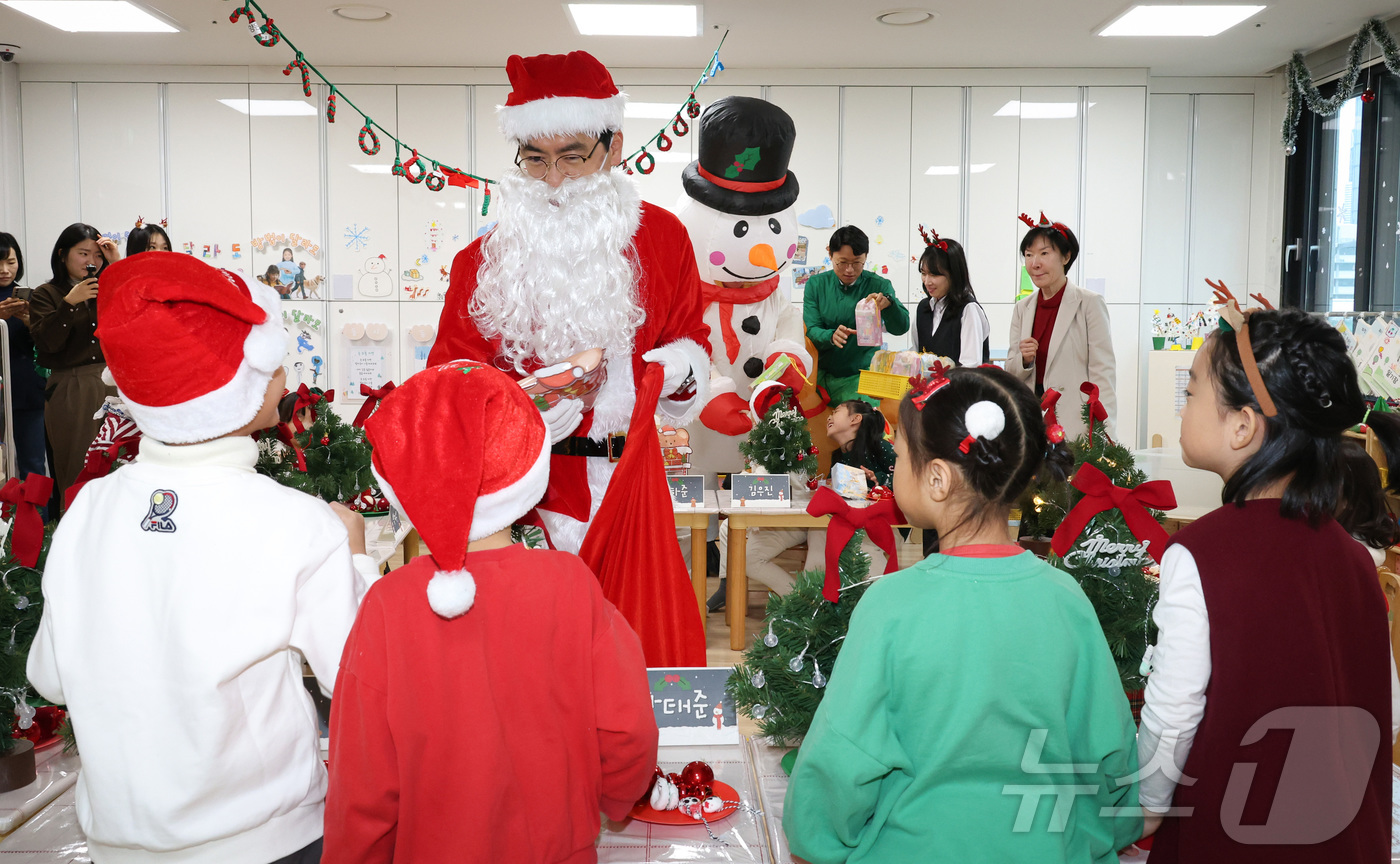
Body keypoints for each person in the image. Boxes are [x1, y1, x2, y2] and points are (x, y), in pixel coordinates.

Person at [27, 252, 378, 864]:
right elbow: (361, 672)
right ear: (242, 386)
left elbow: (50, 676)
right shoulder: (296, 522)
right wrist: (354, 559)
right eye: (271, 364)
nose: (286, 378)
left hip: (118, 839)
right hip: (265, 838)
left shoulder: (89, 510)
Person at [784, 365, 1141, 862]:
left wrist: (815, 840)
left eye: (901, 456)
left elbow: (839, 764)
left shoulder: (891, 604)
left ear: (936, 479)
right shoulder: (1065, 599)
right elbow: (1112, 757)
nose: (893, 469)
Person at [324, 360, 659, 863]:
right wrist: (613, 797)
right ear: (529, 463)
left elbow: (364, 780)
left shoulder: (388, 607)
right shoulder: (571, 585)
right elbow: (627, 728)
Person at [1137, 307, 1396, 861]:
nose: (1183, 409)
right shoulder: (1353, 557)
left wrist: (1143, 809)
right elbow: (1388, 708)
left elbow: (1172, 716)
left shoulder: (1197, 555)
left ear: (1243, 425)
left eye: (1193, 393)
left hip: (1231, 836)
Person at [428, 50, 710, 555]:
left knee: (631, 630)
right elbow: (448, 379)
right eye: (535, 159)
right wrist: (521, 411)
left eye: (573, 156)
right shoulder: (480, 262)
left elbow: (689, 338)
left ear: (613, 146)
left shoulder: (664, 239)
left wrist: (680, 368)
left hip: (633, 487)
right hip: (523, 497)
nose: (553, 178)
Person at [709, 399, 893, 612]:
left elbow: (899, 479)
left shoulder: (879, 448)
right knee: (817, 532)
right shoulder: (839, 457)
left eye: (837, 411)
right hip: (834, 522)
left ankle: (819, 602)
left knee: (822, 534)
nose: (829, 417)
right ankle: (807, 602)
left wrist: (876, 479)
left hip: (869, 527)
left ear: (855, 419)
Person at [28, 223, 120, 498]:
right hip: (72, 386)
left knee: (117, 463)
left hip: (113, 384)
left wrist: (117, 264)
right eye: (83, 254)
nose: (92, 262)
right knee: (77, 465)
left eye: (99, 255)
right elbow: (47, 344)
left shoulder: (109, 287)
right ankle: (74, 532)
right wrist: (69, 303)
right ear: (62, 254)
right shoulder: (46, 293)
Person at [1004, 214, 1116, 440]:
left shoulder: (1089, 304)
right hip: (1031, 424)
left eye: (1044, 254)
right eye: (1028, 255)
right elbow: (1011, 370)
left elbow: (1102, 373)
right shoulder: (1022, 308)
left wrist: (1103, 432)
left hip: (1074, 425)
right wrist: (1024, 361)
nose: (1035, 263)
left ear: (1066, 256)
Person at [801, 225, 909, 405]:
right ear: (830, 256)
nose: (849, 270)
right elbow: (811, 329)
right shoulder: (816, 284)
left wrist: (890, 305)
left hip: (863, 377)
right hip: (824, 375)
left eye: (857, 262)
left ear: (866, 257)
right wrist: (830, 335)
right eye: (842, 262)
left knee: (859, 425)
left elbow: (901, 327)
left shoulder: (879, 285)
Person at [0, 233, 47, 487]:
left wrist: (31, 322)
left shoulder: (32, 296)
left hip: (28, 391)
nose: (5, 270)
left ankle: (39, 524)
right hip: (3, 390)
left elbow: (48, 345)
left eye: (11, 261)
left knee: (33, 465)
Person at [914, 234, 989, 367]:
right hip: (929, 388)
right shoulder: (923, 308)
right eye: (924, 273)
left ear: (954, 274)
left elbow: (970, 366)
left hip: (961, 387)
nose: (927, 281)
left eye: (934, 274)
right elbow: (916, 355)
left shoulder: (968, 309)